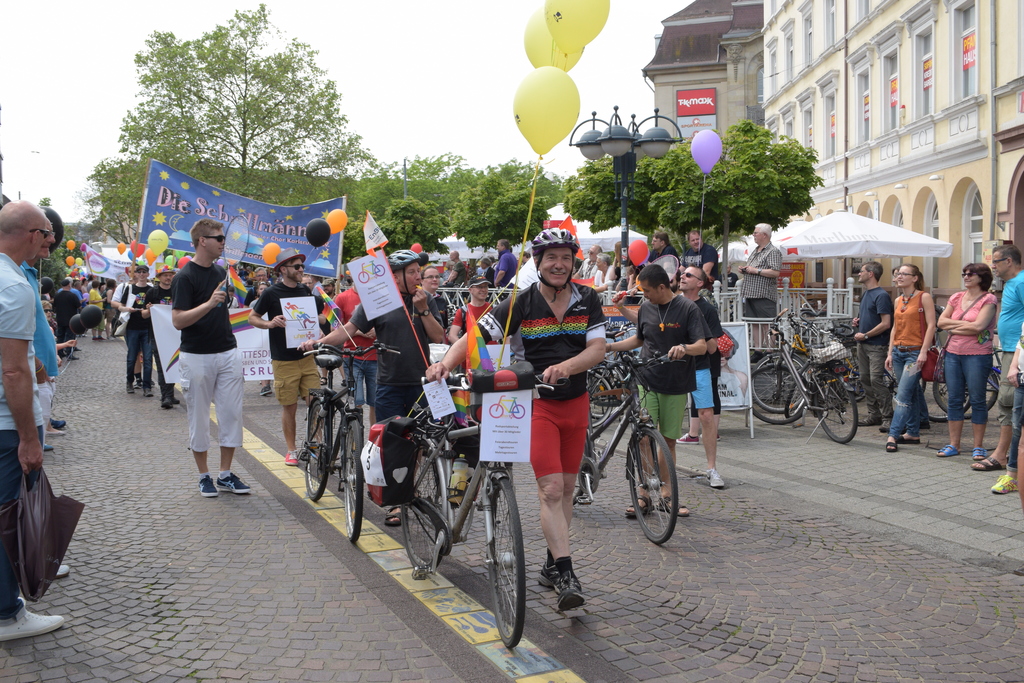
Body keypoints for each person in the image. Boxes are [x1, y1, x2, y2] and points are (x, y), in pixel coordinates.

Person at [427, 227, 606, 612]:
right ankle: (566, 574)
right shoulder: (521, 302)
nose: (559, 264)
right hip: (538, 405)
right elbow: (475, 337)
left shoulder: (588, 298)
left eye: (566, 257)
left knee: (568, 488)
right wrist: (445, 364)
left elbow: (597, 349)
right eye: (551, 258)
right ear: (538, 263)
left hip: (577, 404)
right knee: (551, 490)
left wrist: (568, 366)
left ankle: (551, 563)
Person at [304, 249, 444, 525]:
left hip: (420, 382)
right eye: (412, 272)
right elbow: (348, 329)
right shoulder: (378, 298)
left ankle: (409, 489)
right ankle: (396, 501)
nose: (418, 277)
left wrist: (424, 310)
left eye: (419, 271)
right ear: (395, 276)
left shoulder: (425, 299)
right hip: (389, 383)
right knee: (392, 443)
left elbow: (438, 336)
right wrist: (319, 342)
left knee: (417, 443)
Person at [0, 201, 65, 641]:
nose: (50, 242)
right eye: (47, 234)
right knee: (9, 514)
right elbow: (13, 371)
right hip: (8, 422)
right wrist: (28, 437)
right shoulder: (14, 285)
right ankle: (8, 613)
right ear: (31, 234)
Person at [607, 264, 710, 514]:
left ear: (662, 287)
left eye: (647, 291)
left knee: (668, 441)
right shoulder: (646, 307)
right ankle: (643, 494)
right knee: (643, 438)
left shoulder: (688, 308)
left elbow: (703, 346)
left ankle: (667, 494)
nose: (644, 295)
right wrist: (609, 347)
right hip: (647, 380)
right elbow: (639, 339)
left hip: (676, 382)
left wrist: (684, 348)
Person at [171, 218, 250, 497]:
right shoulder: (184, 277)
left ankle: (225, 474)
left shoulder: (220, 272)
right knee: (199, 417)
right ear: (202, 241)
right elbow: (178, 320)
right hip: (196, 355)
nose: (223, 243)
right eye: (219, 238)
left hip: (227, 350)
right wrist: (208, 303)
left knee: (231, 414)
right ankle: (203, 476)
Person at [250, 248, 324, 466]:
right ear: (283, 269)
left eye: (302, 266)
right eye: (297, 266)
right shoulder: (271, 293)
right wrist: (269, 323)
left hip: (307, 358)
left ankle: (318, 445)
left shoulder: (305, 290)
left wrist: (318, 329)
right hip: (283, 360)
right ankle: (291, 450)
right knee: (289, 406)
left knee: (316, 403)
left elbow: (314, 317)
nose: (301, 270)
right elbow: (252, 317)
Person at [932, 263, 998, 460]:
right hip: (953, 353)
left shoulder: (988, 299)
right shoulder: (956, 297)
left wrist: (953, 327)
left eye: (971, 274)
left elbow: (979, 326)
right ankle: (954, 444)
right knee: (954, 399)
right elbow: (941, 322)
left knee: (977, 399)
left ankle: (978, 446)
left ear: (982, 277)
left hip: (977, 355)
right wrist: (966, 325)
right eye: (964, 274)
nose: (966, 277)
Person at [676, 266, 725, 489]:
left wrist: (699, 327)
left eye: (688, 275)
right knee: (666, 418)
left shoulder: (707, 309)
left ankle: (712, 469)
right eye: (682, 274)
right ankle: (663, 467)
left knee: (706, 415)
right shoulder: (672, 303)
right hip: (675, 366)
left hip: (700, 367)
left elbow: (713, 347)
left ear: (699, 283)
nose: (682, 277)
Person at [885, 264, 936, 452]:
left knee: (903, 395)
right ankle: (913, 433)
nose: (899, 277)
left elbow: (931, 325)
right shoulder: (898, 300)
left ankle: (893, 434)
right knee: (912, 391)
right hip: (898, 353)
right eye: (898, 274)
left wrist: (923, 351)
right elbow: (894, 328)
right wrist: (890, 353)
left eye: (904, 274)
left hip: (914, 354)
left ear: (914, 278)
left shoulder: (924, 297)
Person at [989, 245, 1024, 471]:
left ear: (1009, 261)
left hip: (1016, 351)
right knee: (1008, 403)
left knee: (1008, 402)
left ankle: (1003, 455)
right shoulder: (1012, 283)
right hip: (1010, 348)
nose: (993, 266)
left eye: (996, 261)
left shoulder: (1020, 282)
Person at [853, 262, 893, 427]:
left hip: (876, 344)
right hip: (863, 344)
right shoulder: (866, 294)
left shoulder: (881, 295)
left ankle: (888, 417)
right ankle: (873, 414)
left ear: (871, 274)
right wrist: (858, 321)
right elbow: (871, 316)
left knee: (876, 380)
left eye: (861, 271)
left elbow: (886, 323)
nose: (858, 274)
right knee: (865, 379)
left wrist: (866, 334)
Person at [334, 283, 378, 427]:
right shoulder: (342, 297)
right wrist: (359, 331)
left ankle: (374, 437)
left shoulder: (378, 296)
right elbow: (335, 327)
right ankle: (355, 435)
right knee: (355, 402)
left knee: (376, 402)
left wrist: (377, 330)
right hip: (353, 357)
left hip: (375, 356)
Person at [144, 265, 180, 409]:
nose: (168, 278)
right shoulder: (152, 292)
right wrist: (149, 310)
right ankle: (166, 396)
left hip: (175, 334)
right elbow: (144, 315)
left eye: (170, 275)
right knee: (161, 366)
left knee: (174, 364)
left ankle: (170, 394)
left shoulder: (177, 290)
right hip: (157, 335)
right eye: (165, 275)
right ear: (159, 277)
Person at [115, 264, 154, 396]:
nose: (142, 274)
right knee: (132, 357)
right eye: (139, 272)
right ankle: (129, 382)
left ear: (148, 274)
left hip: (147, 327)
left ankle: (147, 386)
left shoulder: (152, 289)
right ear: (136, 274)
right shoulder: (130, 288)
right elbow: (120, 305)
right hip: (132, 327)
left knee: (148, 358)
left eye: (144, 272)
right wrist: (127, 309)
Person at [738, 223, 781, 320]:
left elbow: (775, 272)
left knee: (766, 324)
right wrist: (745, 269)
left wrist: (756, 270)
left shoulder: (772, 251)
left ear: (764, 235)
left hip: (764, 296)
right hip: (750, 294)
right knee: (753, 324)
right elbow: (754, 268)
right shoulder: (756, 250)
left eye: (756, 233)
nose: (753, 235)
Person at [448, 276, 492, 343]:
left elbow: (506, 334)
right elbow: (452, 336)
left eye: (485, 286)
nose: (483, 290)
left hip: (494, 349)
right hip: (472, 348)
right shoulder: (463, 311)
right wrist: (464, 347)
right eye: (479, 287)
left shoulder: (494, 309)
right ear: (470, 290)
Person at [52, 278, 80, 359]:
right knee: (70, 336)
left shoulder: (57, 295)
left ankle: (60, 352)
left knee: (60, 336)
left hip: (60, 318)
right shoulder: (72, 295)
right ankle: (69, 353)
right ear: (69, 285)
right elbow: (78, 306)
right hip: (71, 319)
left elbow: (54, 306)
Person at [421, 265, 449, 330]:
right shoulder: (416, 298)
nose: (434, 279)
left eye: (437, 277)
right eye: (430, 277)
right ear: (421, 280)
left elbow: (444, 326)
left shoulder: (441, 300)